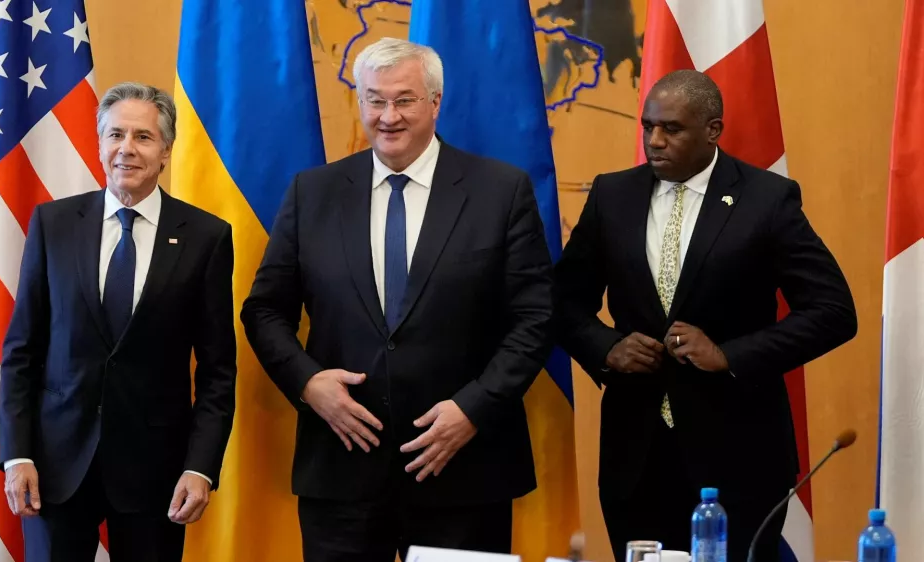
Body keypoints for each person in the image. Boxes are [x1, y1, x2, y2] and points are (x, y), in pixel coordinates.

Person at [240, 37, 553, 561]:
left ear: (435, 102)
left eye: (404, 100)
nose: (388, 116)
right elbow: (264, 309)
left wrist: (472, 409)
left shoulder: (501, 191)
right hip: (341, 471)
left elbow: (535, 318)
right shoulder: (312, 193)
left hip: (463, 469)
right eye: (374, 100)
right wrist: (308, 382)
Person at [553, 70, 857, 562]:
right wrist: (606, 346)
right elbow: (561, 300)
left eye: (671, 129)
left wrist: (730, 355)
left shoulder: (766, 200)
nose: (655, 141)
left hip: (740, 453)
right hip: (637, 456)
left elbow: (834, 311)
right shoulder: (612, 196)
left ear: (713, 130)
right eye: (648, 126)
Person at [0, 82, 237, 562]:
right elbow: (22, 350)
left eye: (143, 137)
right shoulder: (53, 225)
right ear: (100, 143)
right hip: (55, 469)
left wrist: (201, 468)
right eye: (116, 135)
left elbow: (217, 372)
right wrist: (17, 454)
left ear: (166, 150)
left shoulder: (206, 237)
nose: (126, 149)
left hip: (156, 476)